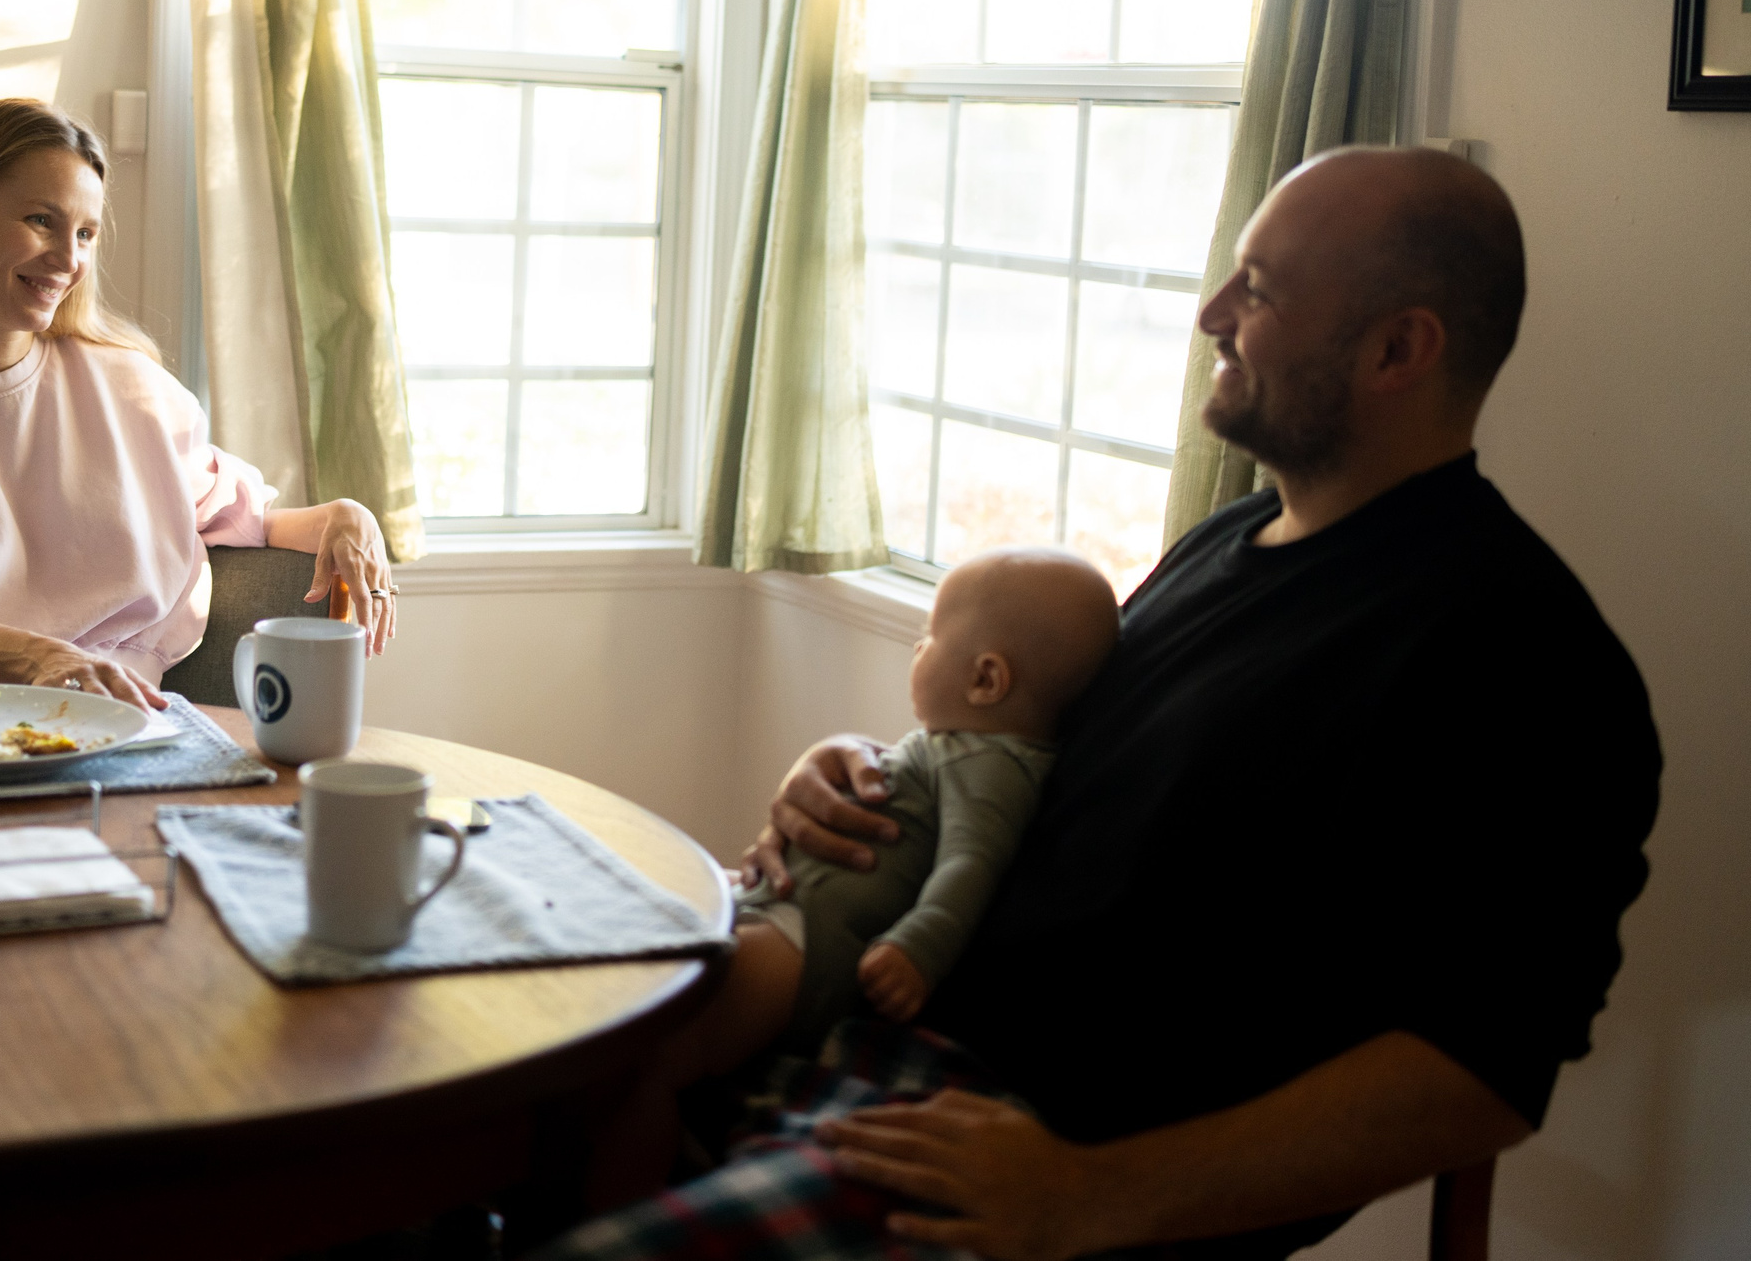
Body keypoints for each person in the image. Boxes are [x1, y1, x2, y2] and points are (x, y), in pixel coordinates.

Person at [551, 146, 1661, 1261]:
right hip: (873, 1027)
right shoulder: (1224, 543)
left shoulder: (1518, 654)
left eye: (1259, 290)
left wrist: (1090, 1192)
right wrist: (861, 765)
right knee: (443, 1141)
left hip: (1036, 1146)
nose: (1210, 315)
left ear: (1396, 348)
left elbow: (1478, 1075)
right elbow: (1034, 762)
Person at [0, 99, 396, 709]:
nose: (68, 260)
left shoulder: (131, 387)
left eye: (84, 233)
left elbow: (242, 520)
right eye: (41, 219)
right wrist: (54, 663)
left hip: (123, 735)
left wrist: (344, 516)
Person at [591, 548, 1117, 1206]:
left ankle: (613, 1207)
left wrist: (918, 945)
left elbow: (970, 864)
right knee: (631, 927)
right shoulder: (965, 745)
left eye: (928, 640)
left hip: (808, 943)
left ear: (986, 679)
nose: (917, 652)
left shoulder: (995, 769)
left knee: (651, 1052)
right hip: (791, 907)